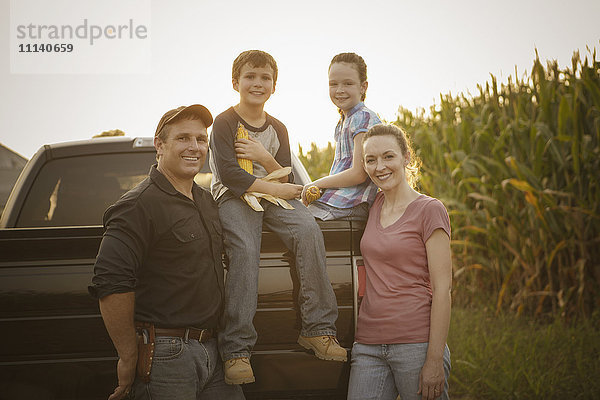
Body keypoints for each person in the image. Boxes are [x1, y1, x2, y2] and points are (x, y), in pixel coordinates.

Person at [209, 49, 347, 386]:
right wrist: (276, 188)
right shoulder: (224, 122)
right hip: (235, 196)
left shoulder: (279, 128)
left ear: (275, 86)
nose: (258, 83)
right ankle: (237, 350)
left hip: (272, 195)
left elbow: (283, 175)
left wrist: (262, 156)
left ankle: (317, 330)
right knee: (244, 248)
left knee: (308, 229)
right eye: (250, 77)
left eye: (265, 78)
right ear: (235, 82)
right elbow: (229, 174)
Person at [89, 105, 245, 400]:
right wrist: (128, 355)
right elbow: (110, 281)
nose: (194, 147)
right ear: (159, 146)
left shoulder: (207, 201)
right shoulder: (138, 205)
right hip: (167, 356)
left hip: (216, 351)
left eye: (201, 139)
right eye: (183, 138)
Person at [347, 124, 452, 400]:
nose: (379, 166)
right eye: (371, 160)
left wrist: (434, 359)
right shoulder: (373, 206)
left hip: (415, 344)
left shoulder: (430, 210)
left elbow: (443, 291)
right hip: (368, 344)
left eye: (388, 156)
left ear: (406, 157)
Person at [301, 52, 381, 220]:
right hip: (337, 200)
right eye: (333, 84)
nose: (339, 90)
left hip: (351, 203)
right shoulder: (344, 120)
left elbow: (359, 173)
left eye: (348, 83)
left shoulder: (363, 117)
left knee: (300, 226)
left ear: (363, 87)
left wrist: (317, 183)